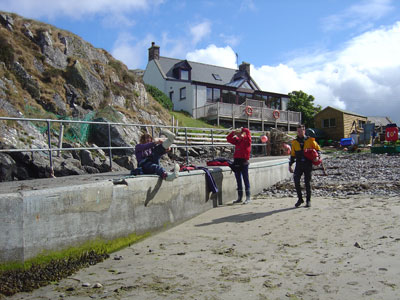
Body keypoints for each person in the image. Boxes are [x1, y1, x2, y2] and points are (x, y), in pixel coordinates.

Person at [289, 124, 321, 208]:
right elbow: (292, 155)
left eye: (301, 131)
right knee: (296, 180)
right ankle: (300, 199)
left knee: (307, 183)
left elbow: (318, 150)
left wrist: (317, 157)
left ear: (304, 131)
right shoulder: (295, 142)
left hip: (308, 164)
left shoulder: (310, 140)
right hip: (299, 164)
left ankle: (308, 200)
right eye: (298, 131)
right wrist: (290, 165)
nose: (299, 132)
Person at [227, 127, 252, 204]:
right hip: (236, 162)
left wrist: (242, 130)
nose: (239, 135)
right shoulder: (237, 141)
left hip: (244, 162)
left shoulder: (247, 141)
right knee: (238, 180)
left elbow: (247, 135)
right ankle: (239, 197)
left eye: (240, 134)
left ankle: (248, 197)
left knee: (245, 179)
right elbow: (228, 138)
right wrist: (233, 133)